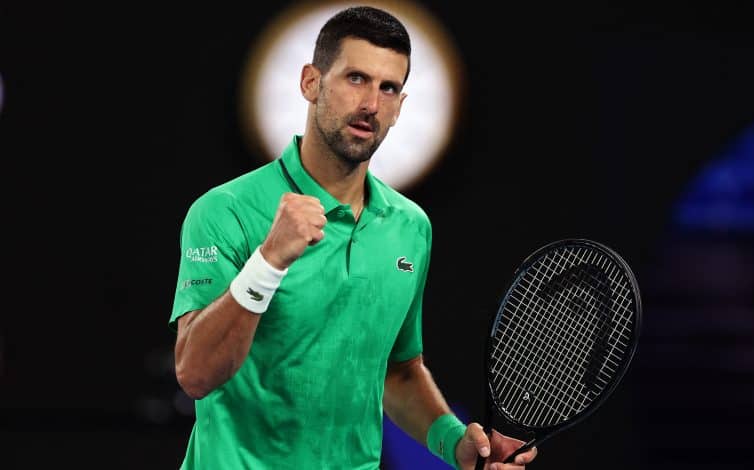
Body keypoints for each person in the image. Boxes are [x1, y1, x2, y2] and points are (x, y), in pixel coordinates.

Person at [170, 5, 538, 469]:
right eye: (356, 78)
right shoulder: (224, 211)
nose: (371, 104)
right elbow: (196, 375)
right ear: (311, 82)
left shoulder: (410, 227)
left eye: (389, 88)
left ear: (400, 107)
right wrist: (267, 262)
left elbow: (397, 371)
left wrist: (456, 444)